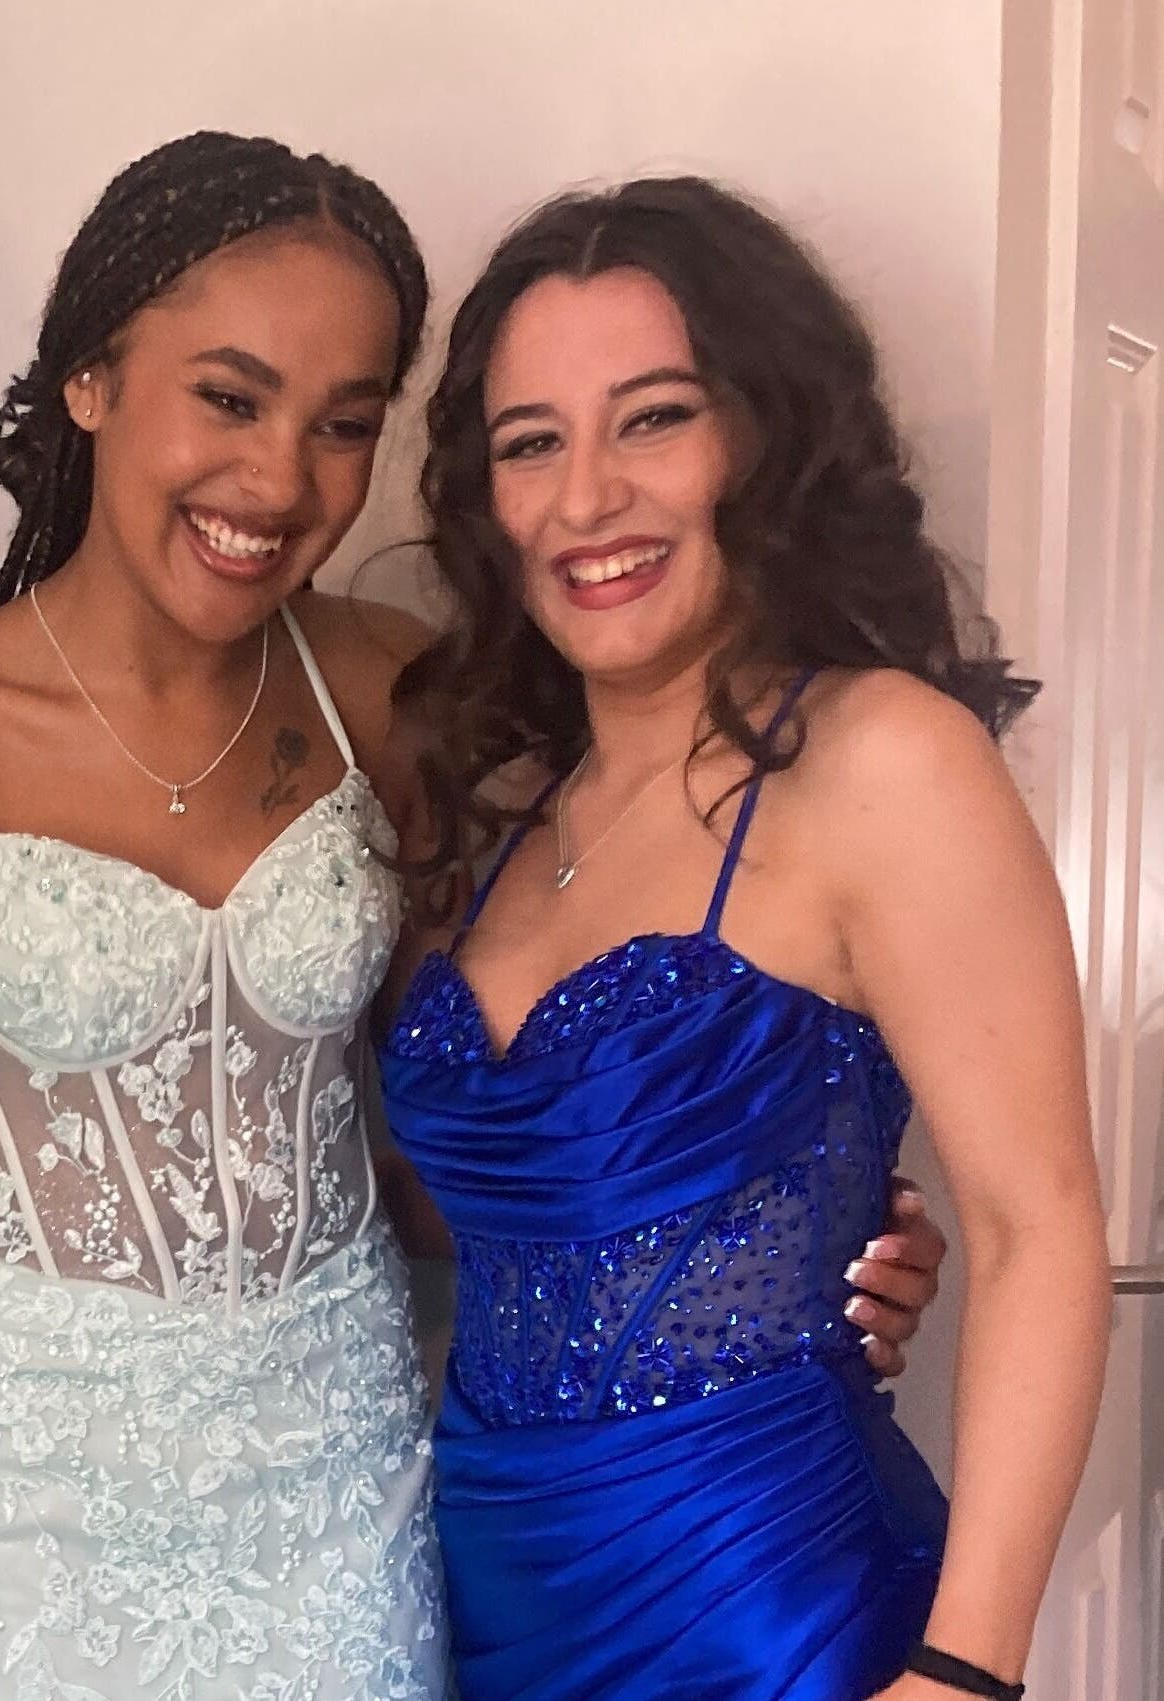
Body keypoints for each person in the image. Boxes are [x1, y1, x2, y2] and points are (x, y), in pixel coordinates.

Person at [0, 134, 949, 1701]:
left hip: (346, 1471)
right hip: (29, 1501)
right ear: (89, 380)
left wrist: (784, 1220)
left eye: (346, 425)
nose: (282, 482)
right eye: (230, 396)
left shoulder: (394, 695)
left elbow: (520, 1060)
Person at [380, 177, 1108, 1701]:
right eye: (533, 443)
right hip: (501, 1617)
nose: (587, 498)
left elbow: (1042, 1228)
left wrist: (965, 1674)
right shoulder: (511, 821)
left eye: (653, 418)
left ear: (761, 438)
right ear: (487, 498)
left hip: (777, 1619)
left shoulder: (881, 761)